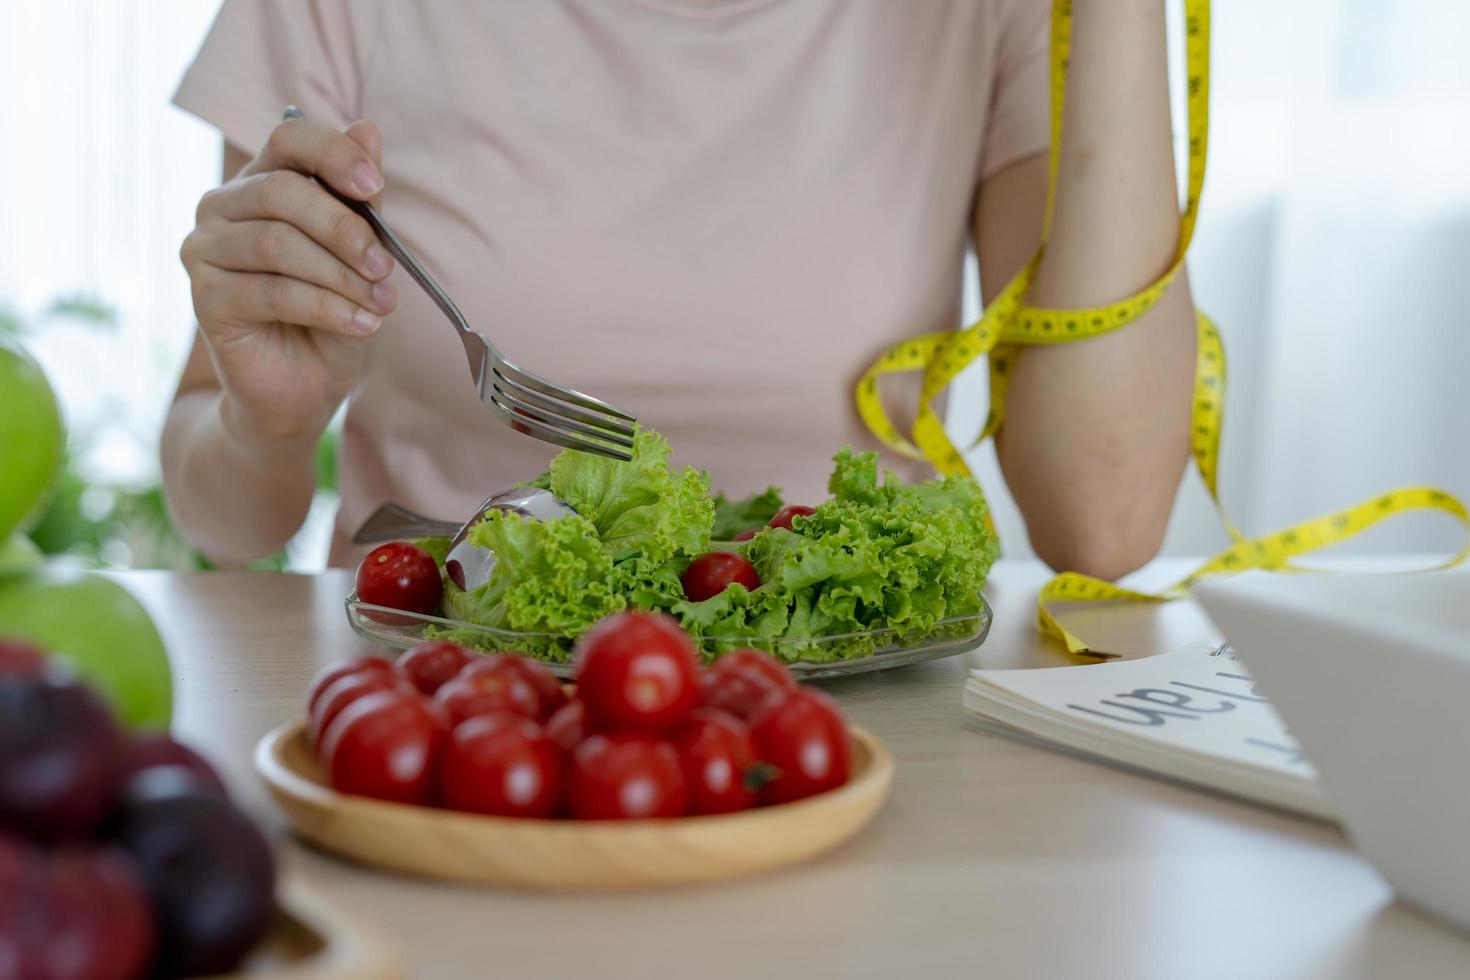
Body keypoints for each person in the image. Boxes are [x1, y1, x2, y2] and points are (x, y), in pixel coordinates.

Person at [163, 0, 1195, 578]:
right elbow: (225, 518)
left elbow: (1101, 524)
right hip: (445, 717)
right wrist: (269, 425)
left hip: (871, 735)